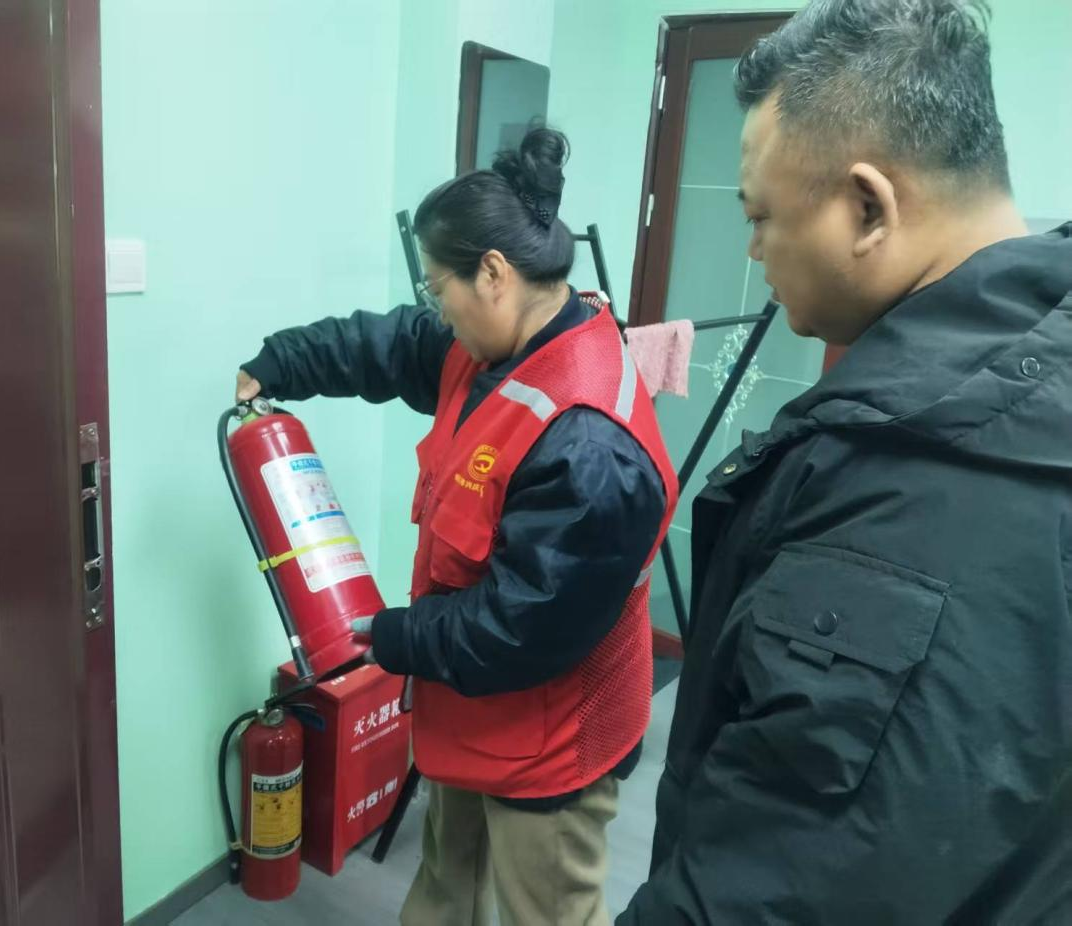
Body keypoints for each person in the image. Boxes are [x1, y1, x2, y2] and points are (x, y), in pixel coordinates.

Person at [619, 1, 1072, 922]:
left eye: (761, 215)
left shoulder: (908, 495)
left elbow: (777, 889)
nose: (754, 247)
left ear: (867, 208)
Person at [237, 127, 678, 926]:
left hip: (550, 742)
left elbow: (522, 627)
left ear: (494, 274)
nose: (434, 307)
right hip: (472, 710)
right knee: (444, 893)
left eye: (438, 287)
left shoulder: (588, 444)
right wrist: (281, 362)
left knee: (545, 912)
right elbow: (390, 345)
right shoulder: (493, 346)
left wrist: (393, 637)